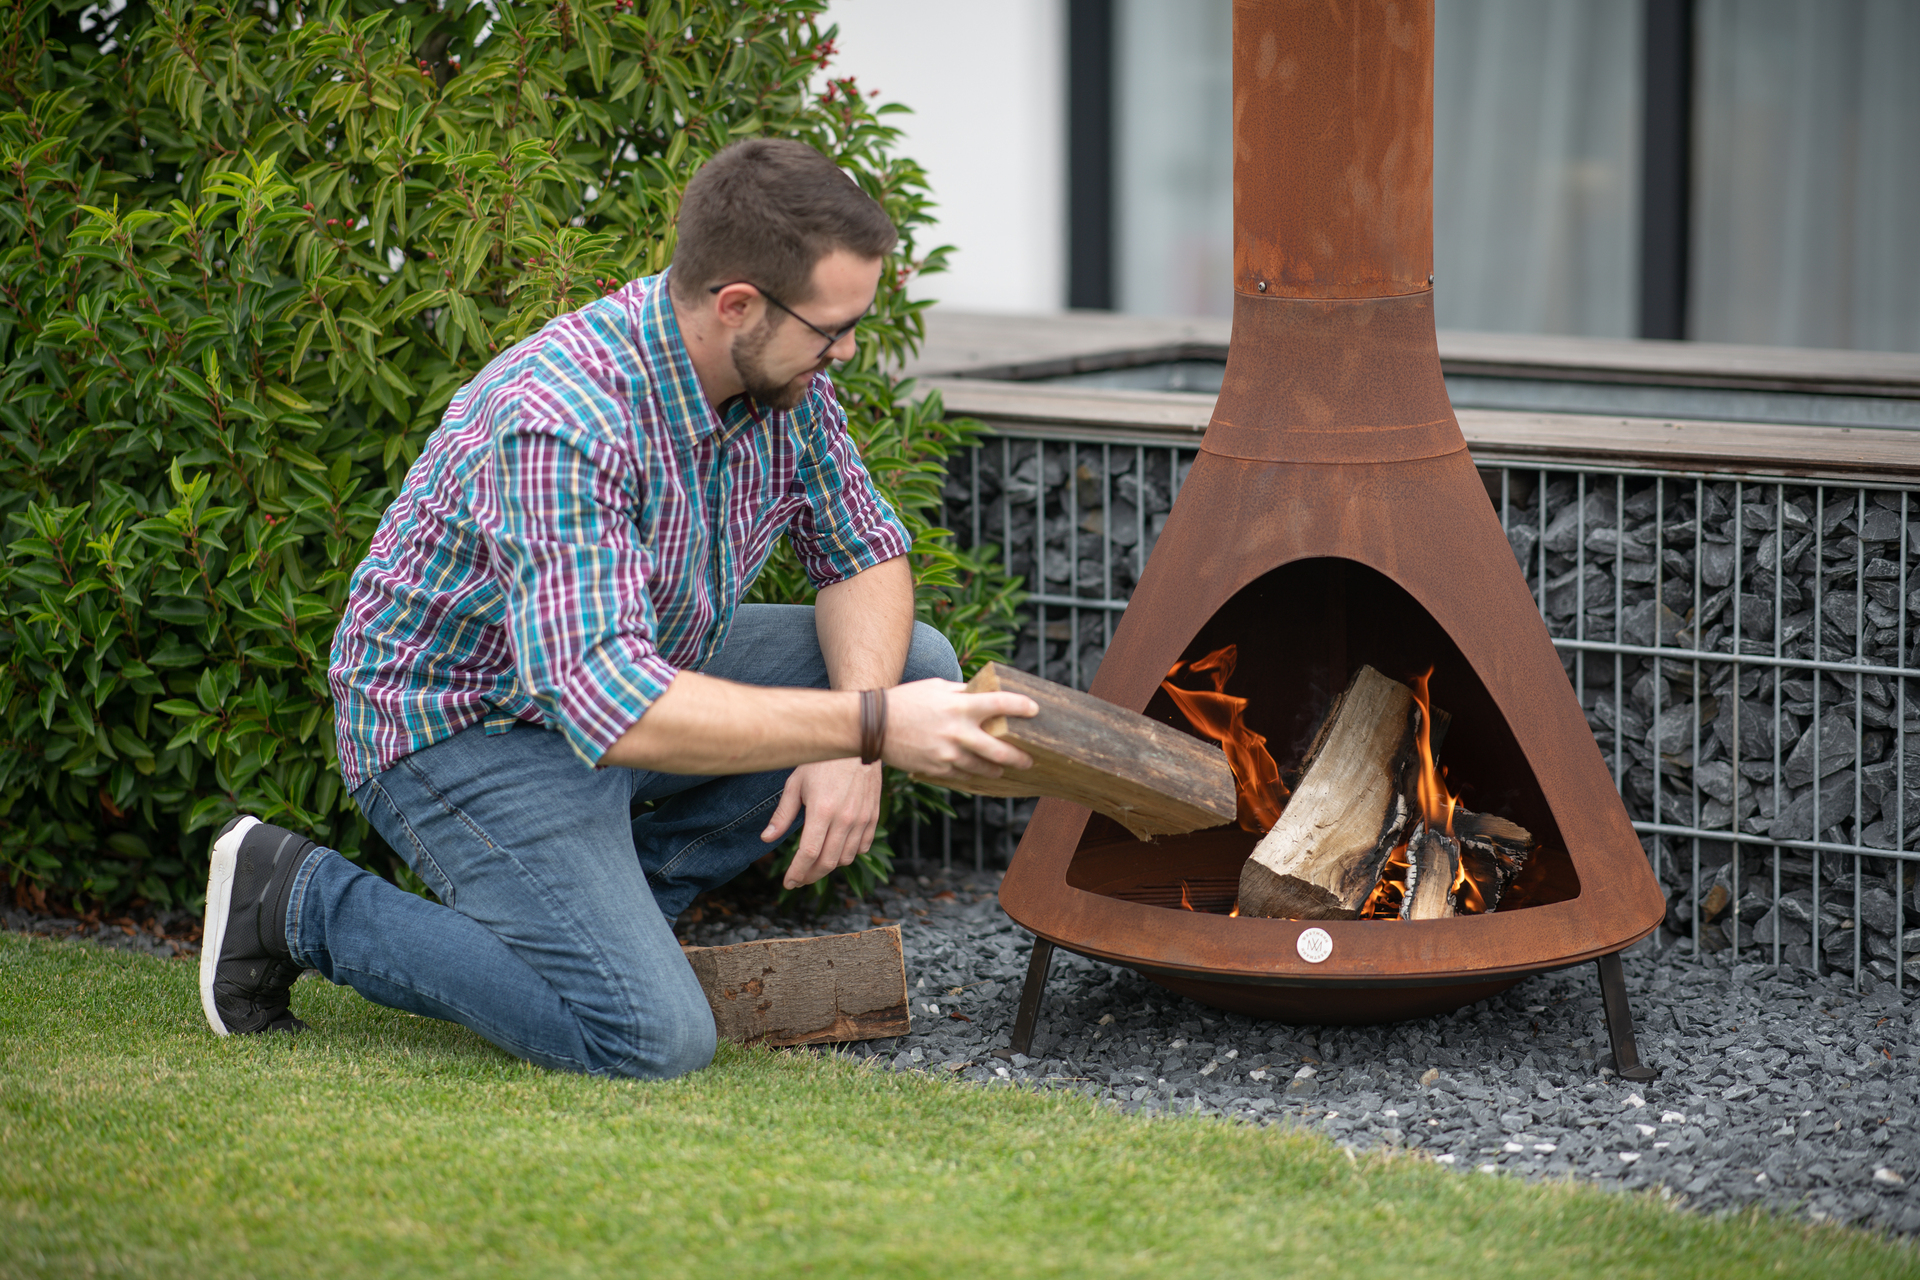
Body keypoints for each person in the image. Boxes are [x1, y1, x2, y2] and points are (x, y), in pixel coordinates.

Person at [196, 139, 1037, 1078]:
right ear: (737, 306)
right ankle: (297, 900)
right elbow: (611, 702)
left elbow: (865, 552)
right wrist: (872, 722)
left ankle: (613, 919)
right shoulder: (564, 416)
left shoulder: (784, 384)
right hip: (464, 727)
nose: (844, 352)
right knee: (652, 1039)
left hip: (631, 685)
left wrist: (854, 735)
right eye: (830, 329)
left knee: (911, 659)